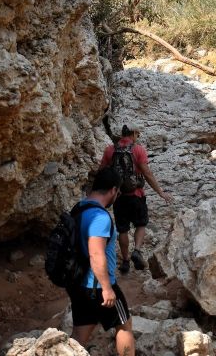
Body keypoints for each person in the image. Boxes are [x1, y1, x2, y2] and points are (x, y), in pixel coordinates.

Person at [66, 168, 135, 356]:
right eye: (118, 192)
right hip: (97, 286)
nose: (117, 196)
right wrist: (107, 288)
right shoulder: (100, 217)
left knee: (80, 333)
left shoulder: (79, 208)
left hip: (78, 283)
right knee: (124, 326)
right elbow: (96, 254)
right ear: (113, 190)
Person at [100, 124, 173, 273]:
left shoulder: (110, 150)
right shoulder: (138, 150)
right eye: (137, 134)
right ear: (133, 134)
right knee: (141, 224)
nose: (137, 137)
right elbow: (147, 173)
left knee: (123, 230)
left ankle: (125, 261)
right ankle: (137, 250)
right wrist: (160, 192)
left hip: (118, 197)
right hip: (137, 195)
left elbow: (102, 171)